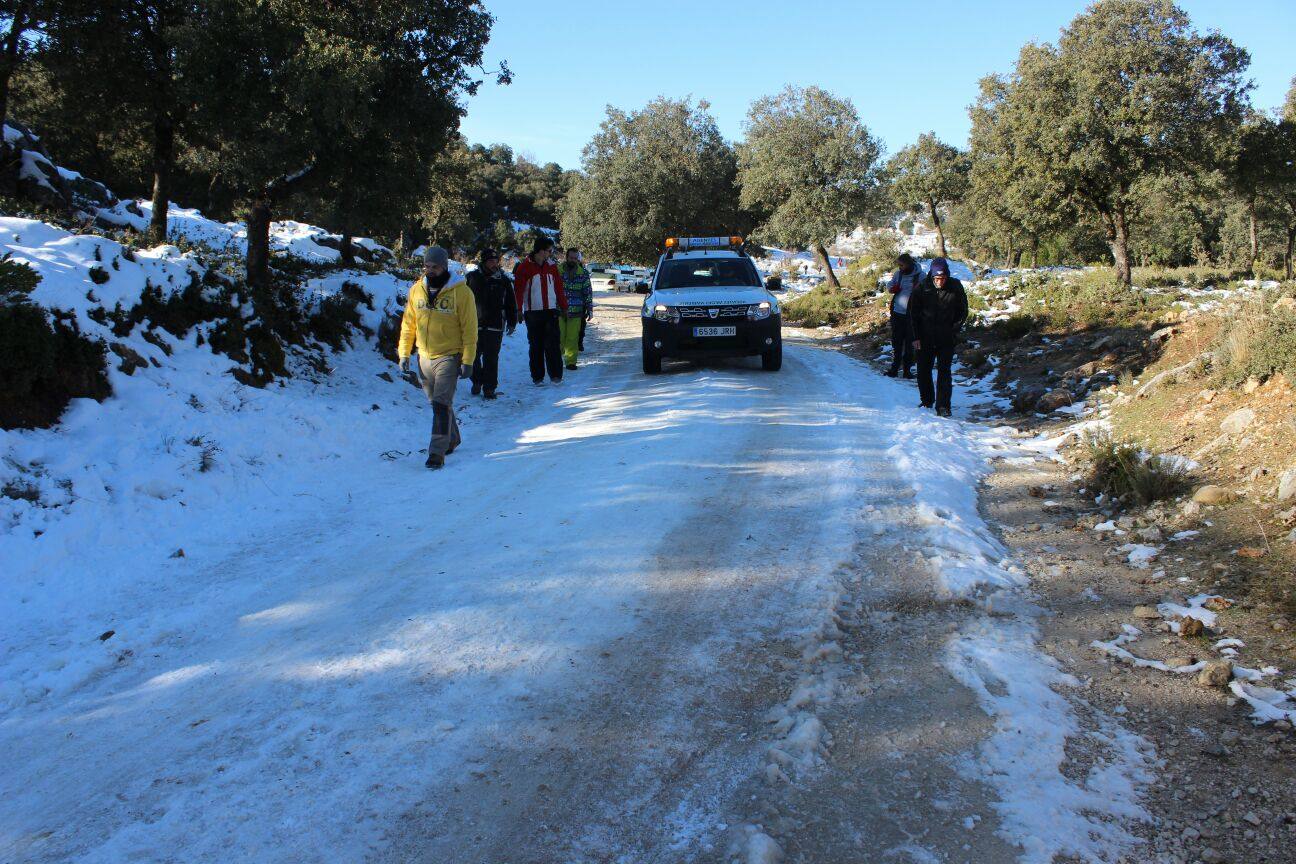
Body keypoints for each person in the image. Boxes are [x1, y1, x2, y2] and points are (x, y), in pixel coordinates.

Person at [397, 247, 477, 469]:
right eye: (427, 266)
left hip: (449, 356)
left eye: (435, 267)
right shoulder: (416, 291)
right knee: (437, 403)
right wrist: (404, 353)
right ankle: (452, 438)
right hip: (424, 356)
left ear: (444, 267)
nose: (430, 271)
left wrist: (468, 360)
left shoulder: (462, 293)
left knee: (441, 404)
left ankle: (436, 453)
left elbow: (470, 330)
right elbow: (408, 325)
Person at [908, 257, 968, 418]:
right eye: (936, 278)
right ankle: (927, 401)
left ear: (947, 276)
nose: (940, 282)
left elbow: (963, 311)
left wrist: (953, 328)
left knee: (944, 372)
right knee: (923, 371)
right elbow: (913, 314)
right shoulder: (922, 287)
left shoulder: (955, 286)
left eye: (942, 278)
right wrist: (915, 337)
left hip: (946, 338)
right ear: (931, 276)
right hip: (924, 337)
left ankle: (943, 406)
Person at [512, 237, 567, 384]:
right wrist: (518, 309)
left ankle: (556, 375)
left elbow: (559, 288)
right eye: (549, 250)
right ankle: (537, 377)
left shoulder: (552, 266)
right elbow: (518, 290)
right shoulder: (524, 267)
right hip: (533, 312)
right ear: (541, 251)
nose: (551, 253)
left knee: (553, 344)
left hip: (551, 310)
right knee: (536, 345)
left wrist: (564, 306)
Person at [466, 248, 516, 399]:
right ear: (484, 262)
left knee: (491, 358)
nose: (494, 264)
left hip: (495, 324)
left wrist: (512, 320)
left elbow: (510, 302)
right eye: (490, 261)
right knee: (473, 356)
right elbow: (463, 301)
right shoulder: (472, 278)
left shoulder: (504, 280)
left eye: (496, 261)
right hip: (475, 323)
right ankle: (476, 380)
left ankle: (489, 388)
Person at [885, 253, 922, 378]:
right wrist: (892, 288)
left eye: (902, 265)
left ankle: (907, 371)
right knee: (897, 342)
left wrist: (919, 290)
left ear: (909, 264)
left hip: (912, 316)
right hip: (897, 313)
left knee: (909, 344)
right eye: (898, 265)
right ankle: (894, 369)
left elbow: (928, 292)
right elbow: (889, 285)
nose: (900, 267)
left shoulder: (920, 276)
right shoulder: (898, 274)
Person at [557, 248, 592, 369]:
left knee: (572, 337)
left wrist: (589, 308)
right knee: (559, 337)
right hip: (559, 310)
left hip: (577, 311)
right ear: (566, 257)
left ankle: (571, 362)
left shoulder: (583, 273)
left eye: (575, 258)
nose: (573, 260)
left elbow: (587, 292)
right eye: (571, 258)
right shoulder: (557, 271)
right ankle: (556, 360)